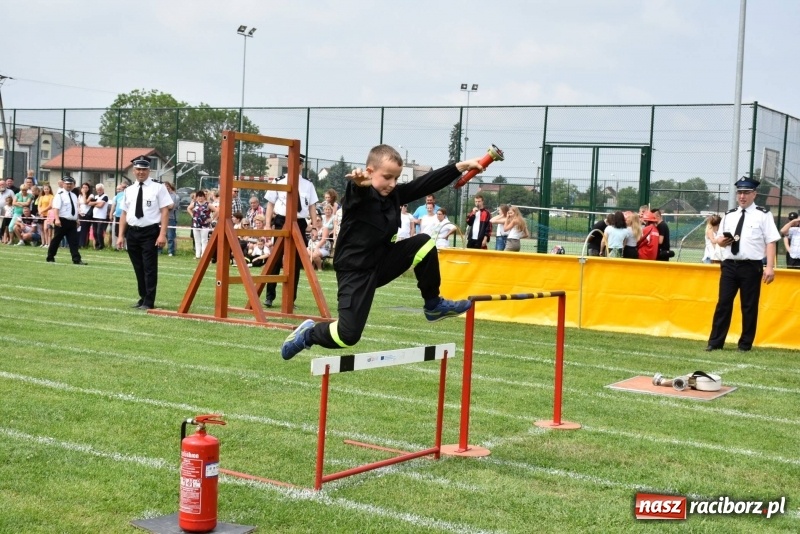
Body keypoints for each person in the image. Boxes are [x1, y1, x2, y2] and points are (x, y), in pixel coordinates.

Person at [280, 144, 484, 361]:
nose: (392, 184)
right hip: (355, 271)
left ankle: (433, 305)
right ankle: (308, 335)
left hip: (383, 261)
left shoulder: (394, 194)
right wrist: (358, 184)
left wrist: (461, 166)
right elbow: (355, 192)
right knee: (347, 336)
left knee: (424, 243)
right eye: (387, 177)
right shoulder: (359, 195)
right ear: (369, 171)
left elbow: (425, 183)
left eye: (396, 178)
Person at [705, 177, 781, 352]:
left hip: (750, 265)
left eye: (746, 193)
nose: (742, 196)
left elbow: (771, 241)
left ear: (754, 194)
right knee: (723, 303)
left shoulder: (763, 215)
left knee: (749, 305)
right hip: (729, 264)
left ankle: (745, 344)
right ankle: (715, 342)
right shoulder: (730, 215)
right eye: (739, 192)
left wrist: (769, 267)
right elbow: (719, 240)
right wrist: (721, 241)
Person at [116, 155, 174, 310]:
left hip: (150, 232)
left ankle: (149, 301)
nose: (141, 172)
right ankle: (142, 298)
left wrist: (162, 234)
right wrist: (121, 235)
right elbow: (124, 214)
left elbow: (165, 211)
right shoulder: (128, 190)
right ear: (133, 171)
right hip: (132, 232)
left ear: (149, 170)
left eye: (144, 169)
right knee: (138, 267)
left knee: (149, 267)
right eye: (138, 169)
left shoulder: (158, 187)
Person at [263, 155, 319, 308]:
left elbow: (312, 207)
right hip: (282, 220)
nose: (296, 165)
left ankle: (290, 299)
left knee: (295, 262)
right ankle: (270, 296)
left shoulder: (308, 184)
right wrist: (268, 224)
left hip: (299, 222)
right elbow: (270, 204)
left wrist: (314, 226)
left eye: (299, 163)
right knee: (275, 259)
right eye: (293, 162)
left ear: (302, 165)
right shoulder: (278, 181)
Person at [45, 176, 86, 265]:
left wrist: (77, 219)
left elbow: (75, 208)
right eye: (67, 184)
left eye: (71, 184)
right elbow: (56, 208)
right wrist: (57, 219)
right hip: (62, 221)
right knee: (56, 240)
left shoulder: (74, 195)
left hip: (72, 222)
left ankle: (76, 259)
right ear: (63, 184)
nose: (69, 185)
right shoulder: (59, 195)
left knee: (74, 241)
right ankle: (50, 256)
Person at [188, 189, 213, 259]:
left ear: (204, 197)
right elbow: (188, 208)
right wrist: (192, 215)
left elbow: (217, 210)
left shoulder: (208, 204)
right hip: (196, 224)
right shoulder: (195, 203)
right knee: (197, 240)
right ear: (196, 197)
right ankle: (197, 255)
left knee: (204, 240)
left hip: (204, 225)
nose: (200, 198)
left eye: (201, 196)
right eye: (199, 196)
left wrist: (211, 219)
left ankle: (204, 255)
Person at [88, 183, 109, 250]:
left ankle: (101, 245)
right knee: (94, 232)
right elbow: (90, 203)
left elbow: (101, 205)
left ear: (103, 189)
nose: (99, 191)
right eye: (97, 190)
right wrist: (96, 203)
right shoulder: (96, 197)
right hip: (94, 216)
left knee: (99, 232)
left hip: (101, 217)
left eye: (100, 190)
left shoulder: (105, 196)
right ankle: (97, 245)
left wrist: (94, 203)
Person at [109, 182, 128, 249]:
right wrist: (111, 214)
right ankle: (118, 246)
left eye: (123, 188)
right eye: (118, 189)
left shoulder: (129, 195)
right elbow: (113, 206)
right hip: (118, 216)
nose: (121, 190)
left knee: (126, 232)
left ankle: (126, 247)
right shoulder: (116, 196)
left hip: (126, 216)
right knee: (117, 232)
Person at [37, 183, 54, 249]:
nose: (46, 190)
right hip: (42, 215)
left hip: (48, 215)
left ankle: (48, 243)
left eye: (47, 189)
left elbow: (50, 206)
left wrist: (43, 210)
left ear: (49, 189)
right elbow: (39, 205)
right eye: (45, 189)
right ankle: (44, 242)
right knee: (42, 230)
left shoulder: (51, 196)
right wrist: (40, 212)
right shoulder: (41, 197)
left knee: (46, 229)